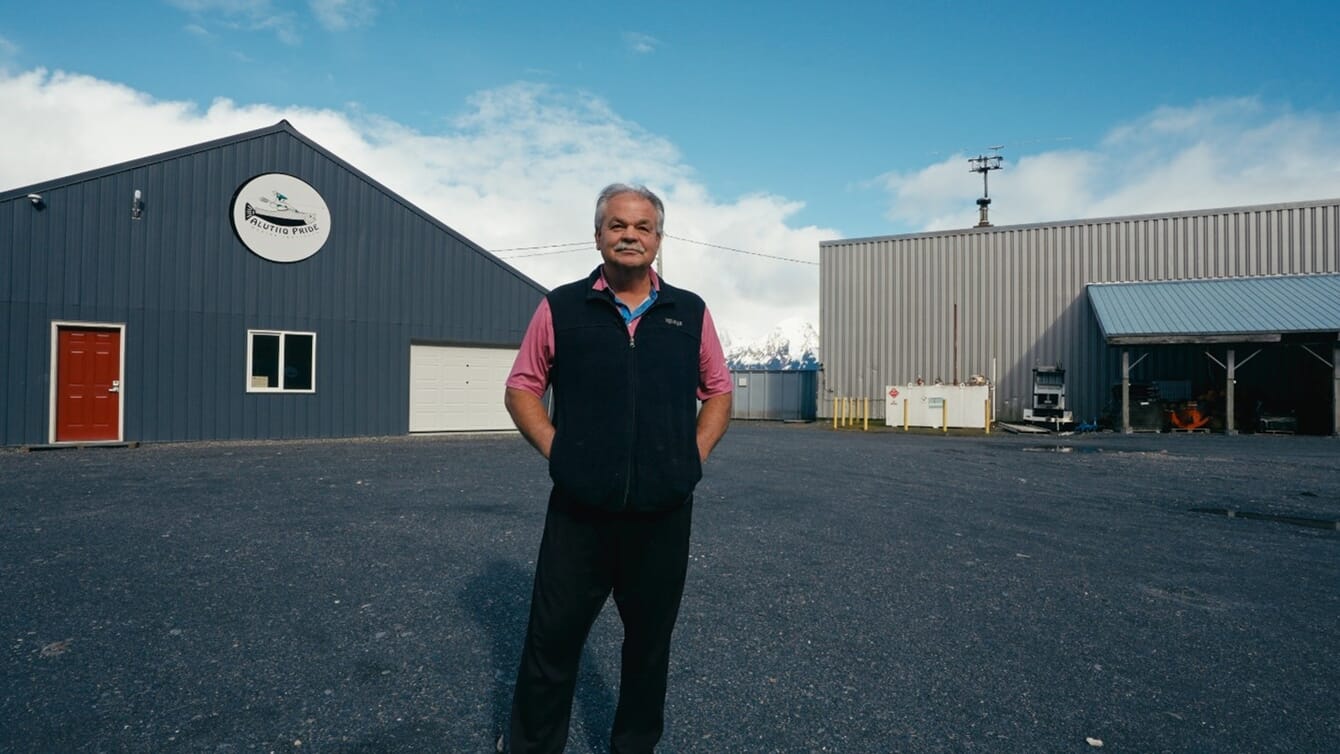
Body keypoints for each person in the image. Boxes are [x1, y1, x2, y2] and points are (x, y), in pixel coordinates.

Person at [502, 183, 733, 753]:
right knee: (551, 641)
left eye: (643, 226)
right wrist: (561, 453)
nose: (630, 235)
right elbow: (521, 388)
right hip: (580, 514)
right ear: (599, 234)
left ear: (658, 238)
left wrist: (691, 456)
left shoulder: (690, 312)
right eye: (618, 225)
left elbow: (720, 392)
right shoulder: (561, 307)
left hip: (662, 514)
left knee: (649, 646)